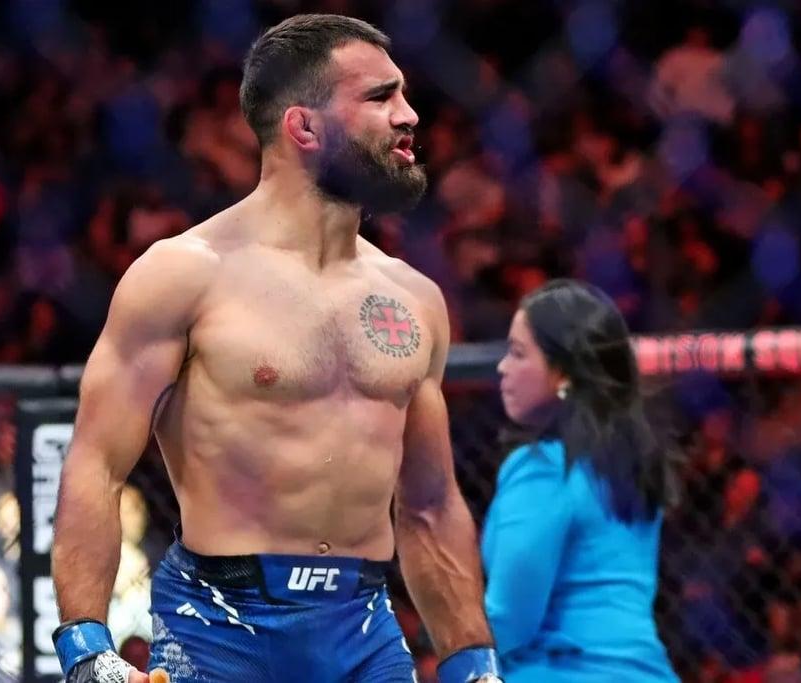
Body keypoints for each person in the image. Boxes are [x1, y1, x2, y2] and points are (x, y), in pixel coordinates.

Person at [50, 13, 501, 683]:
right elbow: (96, 462)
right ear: (304, 127)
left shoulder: (414, 299)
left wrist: (474, 664)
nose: (408, 115)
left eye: (403, 94)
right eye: (380, 97)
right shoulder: (185, 275)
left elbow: (430, 505)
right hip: (219, 625)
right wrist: (86, 649)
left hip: (364, 629)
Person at [484, 279, 682, 681]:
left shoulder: (543, 469)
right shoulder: (630, 466)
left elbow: (509, 620)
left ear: (562, 372)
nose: (503, 367)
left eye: (518, 353)